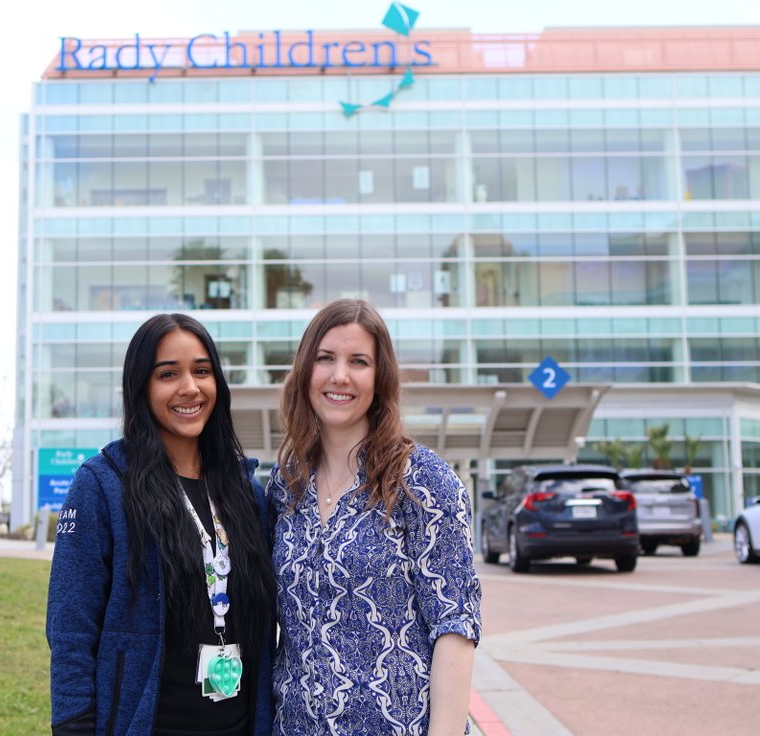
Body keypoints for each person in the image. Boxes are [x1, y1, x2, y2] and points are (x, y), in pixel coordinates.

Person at [47, 313, 276, 736]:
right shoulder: (103, 485)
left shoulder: (245, 490)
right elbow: (70, 628)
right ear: (142, 388)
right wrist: (73, 725)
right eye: (168, 373)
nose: (189, 387)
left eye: (202, 371)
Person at [267, 299, 482, 736]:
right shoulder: (284, 485)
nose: (339, 376)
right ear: (305, 370)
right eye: (325, 358)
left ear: (379, 378)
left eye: (358, 361)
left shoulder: (422, 481)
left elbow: (455, 627)